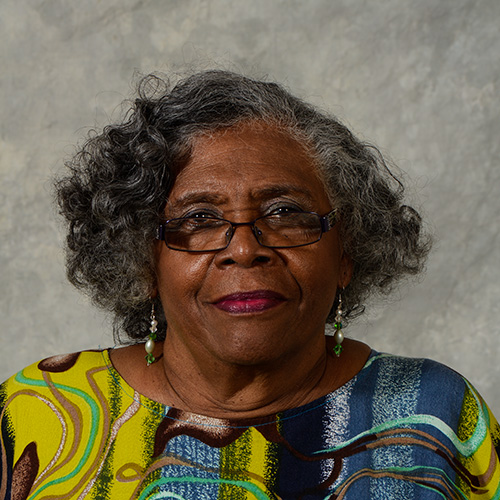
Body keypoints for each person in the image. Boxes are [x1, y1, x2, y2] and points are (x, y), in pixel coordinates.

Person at [1, 70, 498, 500]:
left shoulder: (434, 410)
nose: (243, 249)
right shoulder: (37, 414)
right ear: (141, 261)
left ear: (347, 253)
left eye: (285, 212)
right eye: (199, 218)